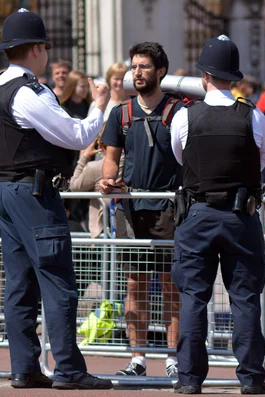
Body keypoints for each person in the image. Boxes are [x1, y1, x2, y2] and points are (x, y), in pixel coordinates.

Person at [0, 8, 112, 390]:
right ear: (36, 49)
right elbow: (77, 135)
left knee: (19, 286)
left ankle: (24, 366)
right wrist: (99, 103)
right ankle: (68, 368)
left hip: (6, 190)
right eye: (45, 47)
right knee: (57, 282)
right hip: (34, 194)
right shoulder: (29, 92)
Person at [170, 35, 265, 394]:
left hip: (198, 214)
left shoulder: (185, 116)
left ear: (204, 75)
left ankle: (189, 380)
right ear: (234, 76)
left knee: (194, 299)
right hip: (241, 216)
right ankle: (251, 379)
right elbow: (261, 163)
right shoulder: (254, 116)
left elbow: (180, 157)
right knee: (244, 300)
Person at [99, 41, 181, 378]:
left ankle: (174, 358)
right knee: (134, 284)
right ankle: (138, 359)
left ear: (160, 71)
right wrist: (107, 182)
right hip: (131, 207)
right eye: (134, 66)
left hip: (168, 207)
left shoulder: (179, 111)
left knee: (170, 284)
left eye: (144, 66)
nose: (137, 72)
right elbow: (110, 160)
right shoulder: (121, 113)